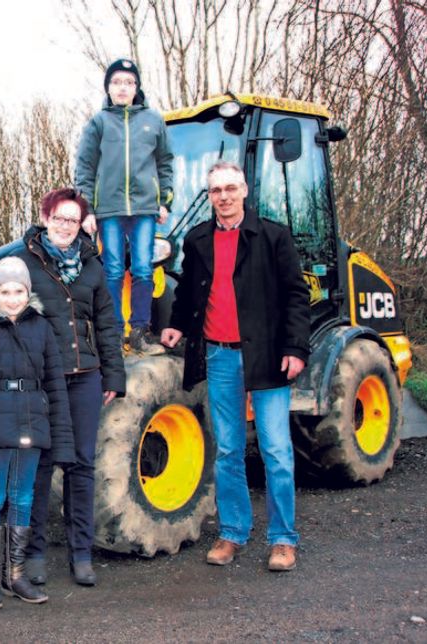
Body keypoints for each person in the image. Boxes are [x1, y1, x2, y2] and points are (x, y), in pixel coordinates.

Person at [0, 188, 126, 587]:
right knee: (39, 465)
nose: (65, 225)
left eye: (73, 218)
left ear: (81, 222)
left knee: (81, 464)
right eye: (59, 218)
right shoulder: (24, 261)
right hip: (42, 380)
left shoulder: (92, 264)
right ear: (45, 218)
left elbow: (106, 322)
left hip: (86, 376)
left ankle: (81, 554)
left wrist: (114, 375)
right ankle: (32, 555)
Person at [160, 161, 310, 572]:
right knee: (227, 450)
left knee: (276, 449)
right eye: (215, 191)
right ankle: (232, 532)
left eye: (230, 188)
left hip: (266, 354)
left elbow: (297, 296)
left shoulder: (273, 237)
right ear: (209, 196)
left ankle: (282, 539)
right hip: (220, 355)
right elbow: (190, 291)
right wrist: (175, 325)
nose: (223, 196)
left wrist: (295, 347)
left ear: (244, 190)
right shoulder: (197, 239)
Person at [0, 256, 75, 608]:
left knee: (23, 498)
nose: (12, 298)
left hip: (33, 424)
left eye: (18, 291)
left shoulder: (42, 327)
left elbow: (55, 383)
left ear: (28, 291)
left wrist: (61, 437)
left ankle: (15, 575)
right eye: (5, 291)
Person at [74, 58, 175, 355]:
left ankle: (140, 331)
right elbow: (85, 167)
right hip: (109, 210)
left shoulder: (153, 121)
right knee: (114, 270)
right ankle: (115, 332)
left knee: (144, 268)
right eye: (116, 82)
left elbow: (165, 162)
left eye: (128, 82)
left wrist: (164, 198)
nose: (122, 87)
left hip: (145, 209)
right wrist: (87, 209)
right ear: (108, 87)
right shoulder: (99, 123)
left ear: (136, 88)